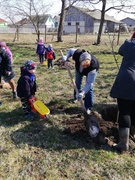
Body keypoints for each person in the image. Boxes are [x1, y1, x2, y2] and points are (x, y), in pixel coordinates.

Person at [110, 32, 135, 152]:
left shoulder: (129, 43)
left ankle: (123, 143)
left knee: (125, 111)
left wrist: (129, 40)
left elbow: (120, 51)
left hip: (127, 79)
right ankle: (132, 136)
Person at [62, 48, 99, 114]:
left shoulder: (93, 66)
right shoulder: (77, 54)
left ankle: (88, 107)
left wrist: (83, 93)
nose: (85, 67)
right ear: (79, 61)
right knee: (77, 83)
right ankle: (76, 97)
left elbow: (89, 83)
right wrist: (66, 56)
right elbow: (70, 51)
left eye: (87, 65)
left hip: (90, 72)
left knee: (89, 89)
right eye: (83, 65)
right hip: (79, 70)